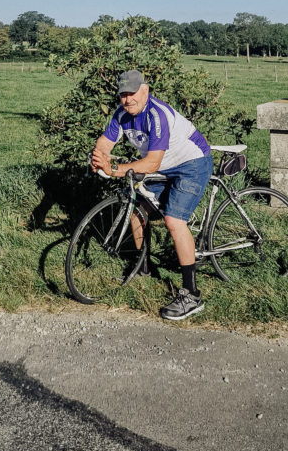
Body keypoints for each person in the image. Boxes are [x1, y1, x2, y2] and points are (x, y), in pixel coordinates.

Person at [91, 70, 213, 321]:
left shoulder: (157, 115)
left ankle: (191, 294)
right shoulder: (121, 114)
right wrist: (98, 157)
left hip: (192, 163)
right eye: (123, 95)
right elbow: (105, 143)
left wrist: (115, 169)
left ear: (145, 90)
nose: (128, 99)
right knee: (135, 207)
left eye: (132, 93)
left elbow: (153, 162)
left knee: (174, 220)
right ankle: (142, 267)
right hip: (165, 166)